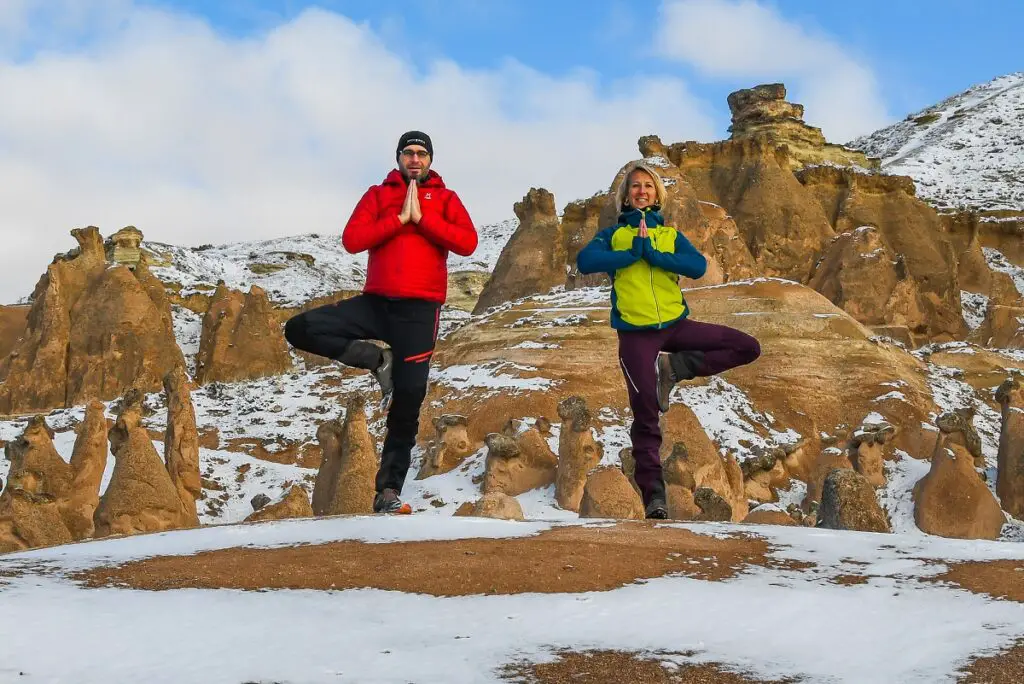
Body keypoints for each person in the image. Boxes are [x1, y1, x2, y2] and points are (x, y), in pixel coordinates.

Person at [284, 131, 478, 514]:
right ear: (399, 158)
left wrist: (422, 221)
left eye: (422, 154)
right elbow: (353, 240)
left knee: (408, 400)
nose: (415, 159)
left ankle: (388, 491)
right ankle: (376, 360)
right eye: (409, 153)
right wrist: (398, 218)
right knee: (299, 328)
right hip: (375, 303)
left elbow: (467, 242)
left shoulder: (446, 199)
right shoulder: (377, 194)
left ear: (431, 160)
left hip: (420, 312)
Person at [576, 161, 760, 519]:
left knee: (747, 346)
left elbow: (696, 267)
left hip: (676, 324)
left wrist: (655, 255)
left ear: (657, 193)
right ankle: (654, 498)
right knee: (645, 413)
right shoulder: (613, 235)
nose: (641, 191)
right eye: (635, 186)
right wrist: (631, 254)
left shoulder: (670, 235)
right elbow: (586, 260)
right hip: (634, 333)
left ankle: (675, 366)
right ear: (625, 196)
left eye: (648, 185)